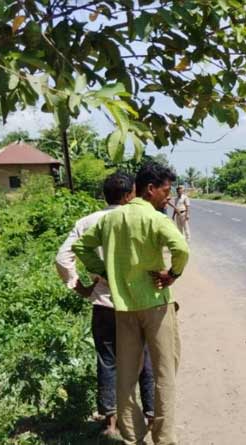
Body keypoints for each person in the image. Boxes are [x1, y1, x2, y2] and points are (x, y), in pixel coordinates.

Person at [73, 162, 189, 445]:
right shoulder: (156, 219)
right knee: (164, 373)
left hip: (123, 309)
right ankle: (163, 439)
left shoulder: (109, 219)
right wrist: (171, 274)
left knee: (126, 377)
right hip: (156, 307)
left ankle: (133, 436)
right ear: (150, 189)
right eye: (165, 191)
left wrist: (103, 271)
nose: (167, 197)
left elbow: (80, 246)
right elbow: (181, 249)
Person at [56, 172, 155, 437]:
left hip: (103, 304)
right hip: (136, 303)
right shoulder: (138, 219)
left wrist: (81, 288)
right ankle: (151, 416)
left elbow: (63, 259)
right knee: (144, 359)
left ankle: (111, 423)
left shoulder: (88, 222)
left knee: (108, 360)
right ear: (127, 195)